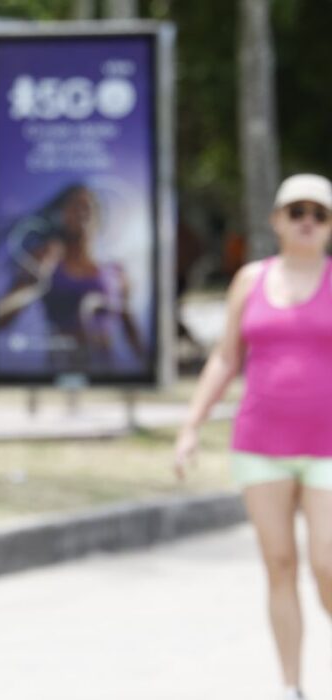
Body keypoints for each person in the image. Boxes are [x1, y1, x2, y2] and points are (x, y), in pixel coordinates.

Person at [174, 174, 332, 700]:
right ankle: (291, 686)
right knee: (280, 564)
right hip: (260, 443)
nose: (307, 221)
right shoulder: (250, 280)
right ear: (277, 220)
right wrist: (192, 426)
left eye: (318, 213)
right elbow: (225, 357)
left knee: (326, 563)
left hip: (327, 446)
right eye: (297, 211)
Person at [0, 183, 144, 373]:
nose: (81, 214)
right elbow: (1, 318)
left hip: (104, 367)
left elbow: (130, 327)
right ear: (60, 216)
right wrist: (35, 280)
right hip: (61, 365)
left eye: (88, 207)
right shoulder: (45, 260)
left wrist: (150, 369)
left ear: (99, 216)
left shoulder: (114, 270)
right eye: (74, 207)